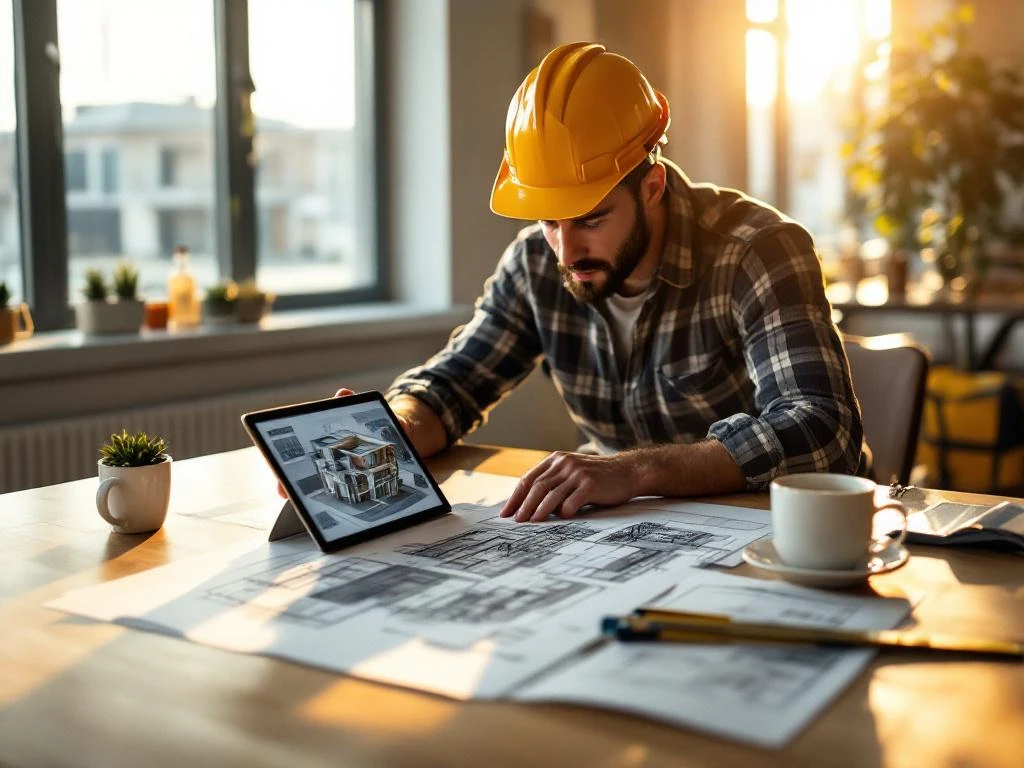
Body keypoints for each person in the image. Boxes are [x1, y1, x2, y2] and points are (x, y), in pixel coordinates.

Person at [378, 42, 867, 522]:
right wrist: (397, 425)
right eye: (550, 221)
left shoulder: (756, 250)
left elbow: (824, 431)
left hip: (776, 526)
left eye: (590, 220)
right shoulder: (534, 262)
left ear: (651, 188)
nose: (566, 253)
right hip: (618, 528)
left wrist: (635, 471)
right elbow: (451, 386)